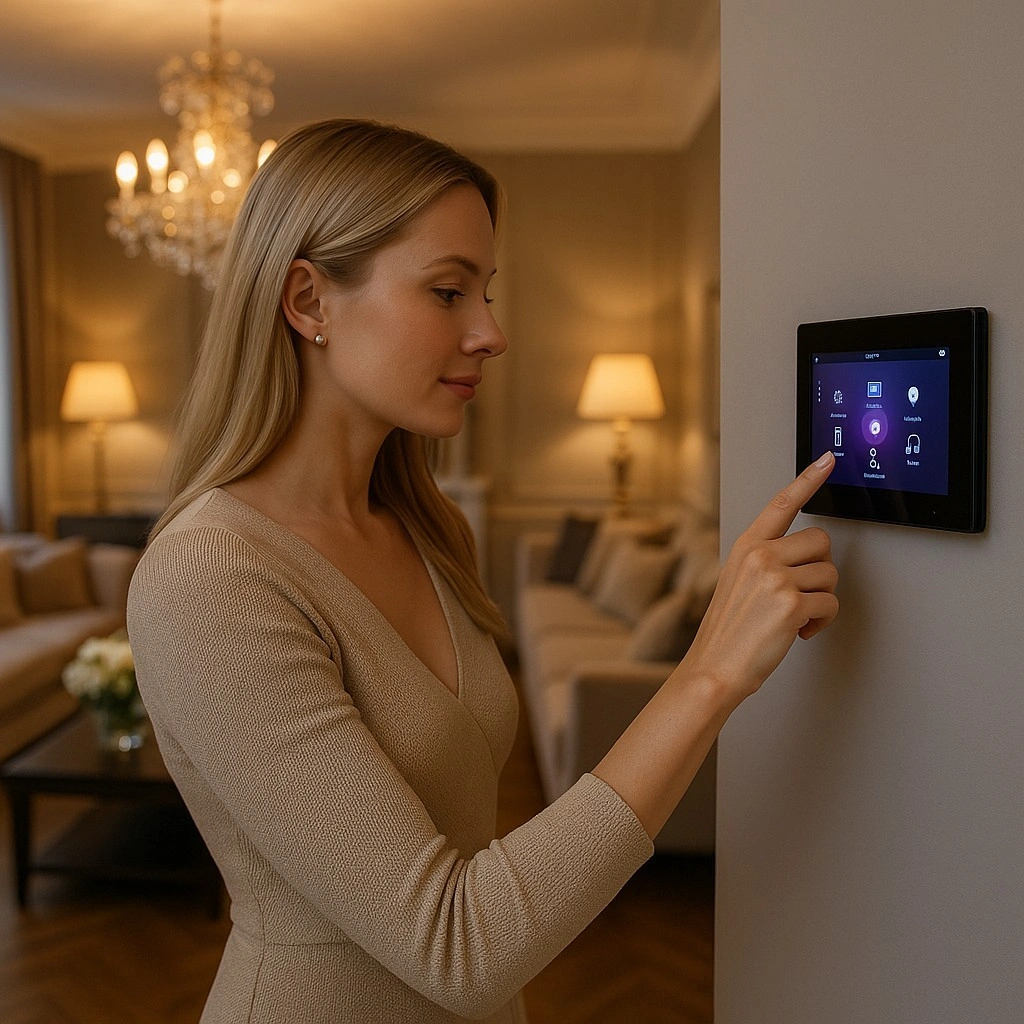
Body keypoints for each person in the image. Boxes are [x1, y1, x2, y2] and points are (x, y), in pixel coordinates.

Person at [127, 118, 839, 1024]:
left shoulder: (428, 529)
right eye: (448, 292)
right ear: (308, 302)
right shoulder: (208, 580)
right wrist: (707, 674)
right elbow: (456, 945)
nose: (492, 334)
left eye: (486, 293)